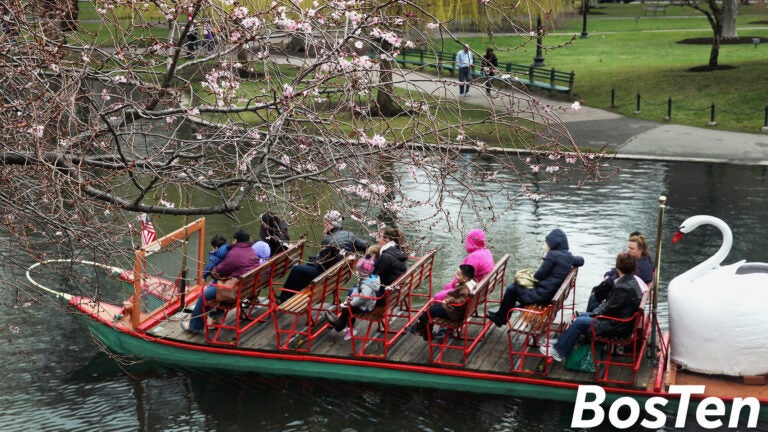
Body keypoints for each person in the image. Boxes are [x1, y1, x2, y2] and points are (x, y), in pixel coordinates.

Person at [540, 253, 643, 362]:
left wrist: (595, 312)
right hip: (620, 322)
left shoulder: (623, 288)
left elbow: (609, 309)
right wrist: (596, 311)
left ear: (618, 267)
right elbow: (611, 307)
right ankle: (561, 341)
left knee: (579, 321)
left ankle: (559, 352)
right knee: (583, 316)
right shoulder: (630, 282)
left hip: (616, 326)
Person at [486, 228, 584, 327]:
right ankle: (503, 315)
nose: (547, 245)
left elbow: (538, 276)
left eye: (548, 243)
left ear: (553, 244)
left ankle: (501, 318)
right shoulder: (569, 257)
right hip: (551, 294)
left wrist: (545, 259)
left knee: (512, 289)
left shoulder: (552, 255)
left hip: (543, 295)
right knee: (516, 288)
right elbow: (581, 260)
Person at [278, 210, 368, 303]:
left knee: (297, 269)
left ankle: (284, 298)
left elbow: (320, 264)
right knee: (304, 269)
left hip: (326, 277)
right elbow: (365, 245)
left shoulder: (328, 240)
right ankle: (295, 295)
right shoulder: (349, 235)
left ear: (329, 224)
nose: (323, 224)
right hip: (339, 275)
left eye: (325, 222)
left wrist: (312, 259)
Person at [182, 229, 260, 334]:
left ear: (236, 240)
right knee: (213, 284)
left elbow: (219, 270)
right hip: (248, 286)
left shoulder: (234, 253)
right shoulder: (251, 250)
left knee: (204, 295)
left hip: (234, 290)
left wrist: (210, 270)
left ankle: (195, 326)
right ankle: (216, 317)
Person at [587, 232, 654, 312]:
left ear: (640, 250)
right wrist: (608, 274)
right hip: (623, 292)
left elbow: (619, 278)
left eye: (632, 249)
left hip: (623, 296)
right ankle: (587, 315)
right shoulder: (637, 260)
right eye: (628, 248)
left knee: (596, 293)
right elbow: (616, 269)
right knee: (598, 290)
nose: (628, 251)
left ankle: (588, 316)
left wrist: (607, 279)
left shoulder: (639, 267)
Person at [411, 265, 476, 341]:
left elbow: (461, 301)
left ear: (465, 279)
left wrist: (450, 300)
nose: (455, 276)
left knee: (428, 313)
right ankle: (423, 330)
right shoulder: (470, 284)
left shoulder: (464, 289)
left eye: (458, 275)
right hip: (454, 310)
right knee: (431, 309)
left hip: (454, 313)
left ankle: (424, 332)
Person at [323, 256, 380, 340]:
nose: (356, 272)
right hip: (367, 302)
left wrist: (352, 302)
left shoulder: (366, 285)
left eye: (358, 271)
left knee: (348, 309)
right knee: (347, 305)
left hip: (366, 306)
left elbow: (364, 297)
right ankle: (340, 322)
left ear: (362, 272)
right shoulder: (370, 279)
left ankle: (344, 326)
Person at [433, 229, 494, 302]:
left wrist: (453, 286)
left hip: (469, 293)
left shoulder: (475, 257)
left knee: (437, 297)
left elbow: (461, 277)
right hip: (478, 289)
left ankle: (441, 311)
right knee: (447, 286)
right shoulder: (486, 252)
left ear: (471, 241)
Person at [371, 226, 408, 305]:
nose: (376, 240)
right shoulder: (397, 251)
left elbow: (376, 278)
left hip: (385, 296)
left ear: (387, 238)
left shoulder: (386, 256)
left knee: (353, 293)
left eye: (379, 237)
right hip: (395, 294)